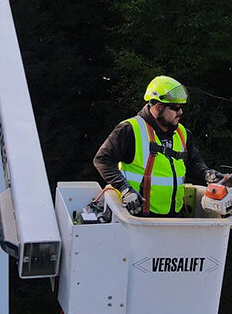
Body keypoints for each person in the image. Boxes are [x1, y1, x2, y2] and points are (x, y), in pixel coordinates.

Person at [94, 76, 224, 216]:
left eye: (181, 107)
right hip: (139, 216)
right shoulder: (130, 129)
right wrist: (125, 189)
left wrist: (207, 174)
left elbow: (193, 163)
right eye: (175, 107)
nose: (180, 112)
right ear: (157, 107)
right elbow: (102, 159)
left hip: (175, 214)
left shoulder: (182, 133)